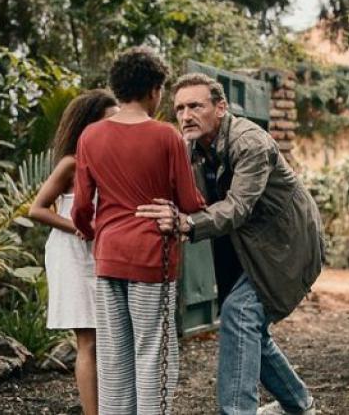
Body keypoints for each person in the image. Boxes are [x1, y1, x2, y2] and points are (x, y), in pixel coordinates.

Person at [136, 73, 324, 415]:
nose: (186, 116)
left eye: (196, 106)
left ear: (221, 107)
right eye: (180, 108)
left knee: (240, 313)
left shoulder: (250, 142)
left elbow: (238, 206)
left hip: (286, 245)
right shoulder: (192, 147)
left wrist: (188, 223)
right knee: (248, 326)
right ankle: (300, 405)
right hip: (247, 247)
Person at [71, 47, 206, 414]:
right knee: (153, 352)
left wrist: (90, 231)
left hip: (108, 257)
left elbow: (81, 207)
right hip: (152, 258)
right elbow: (190, 202)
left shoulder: (90, 136)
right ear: (154, 90)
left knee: (114, 355)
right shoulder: (166, 136)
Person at [28, 89, 119, 415]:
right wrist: (78, 227)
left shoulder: (114, 161)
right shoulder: (71, 163)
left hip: (105, 254)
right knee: (88, 341)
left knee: (111, 338)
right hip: (72, 255)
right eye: (108, 121)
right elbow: (37, 209)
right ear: (87, 124)